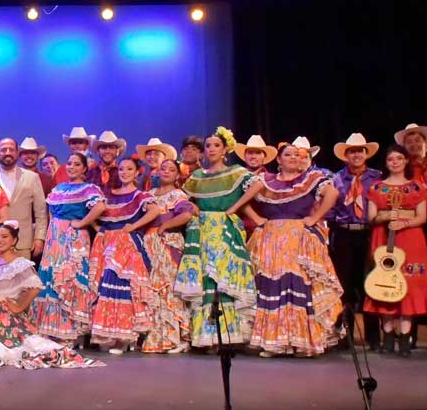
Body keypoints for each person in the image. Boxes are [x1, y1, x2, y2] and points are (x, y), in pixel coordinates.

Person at [237, 139, 345, 357]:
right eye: (289, 155)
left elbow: (332, 194)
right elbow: (241, 200)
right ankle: (274, 342)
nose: (294, 158)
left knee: (296, 283)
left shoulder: (310, 179)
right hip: (269, 238)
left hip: (298, 239)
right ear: (278, 160)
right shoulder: (265, 180)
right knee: (269, 285)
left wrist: (315, 217)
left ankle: (301, 341)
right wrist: (257, 218)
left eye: (298, 155)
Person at [0, 222, 97, 368]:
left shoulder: (20, 264)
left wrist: (19, 307)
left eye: (4, 237)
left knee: (21, 347)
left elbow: (35, 287)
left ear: (14, 240)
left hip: (5, 316)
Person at [173, 128, 259, 348]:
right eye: (208, 146)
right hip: (201, 230)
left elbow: (259, 184)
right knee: (206, 280)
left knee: (224, 278)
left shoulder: (235, 172)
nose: (211, 149)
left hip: (224, 229)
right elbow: (182, 199)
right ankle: (206, 336)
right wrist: (190, 208)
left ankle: (228, 335)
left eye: (216, 145)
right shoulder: (198, 177)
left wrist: (235, 207)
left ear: (225, 150)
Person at [363, 144, 427, 357]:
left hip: (411, 239)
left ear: (406, 161)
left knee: (409, 284)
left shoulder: (416, 187)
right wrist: (387, 217)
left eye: (398, 158)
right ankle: (387, 338)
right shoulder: (376, 187)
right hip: (383, 237)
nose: (394, 162)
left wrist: (404, 223)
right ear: (386, 163)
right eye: (390, 159)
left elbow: (422, 217)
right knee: (384, 283)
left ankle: (405, 339)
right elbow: (371, 217)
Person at [87, 158, 162, 354]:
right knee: (104, 286)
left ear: (137, 172)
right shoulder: (108, 195)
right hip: (106, 244)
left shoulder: (139, 196)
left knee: (122, 285)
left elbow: (155, 210)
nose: (124, 172)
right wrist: (100, 230)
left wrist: (134, 227)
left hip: (127, 244)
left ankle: (123, 337)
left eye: (129, 169)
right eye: (121, 169)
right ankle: (109, 334)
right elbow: (96, 215)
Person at [34, 152, 106, 344]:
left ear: (84, 168)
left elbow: (99, 207)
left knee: (71, 277)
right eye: (70, 164)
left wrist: (82, 223)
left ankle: (69, 330)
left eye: (76, 164)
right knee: (51, 277)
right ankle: (49, 329)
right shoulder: (59, 188)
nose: (72, 167)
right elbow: (50, 211)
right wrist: (52, 231)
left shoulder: (89, 188)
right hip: (55, 236)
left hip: (74, 237)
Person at [328, 133, 384, 348]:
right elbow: (330, 209)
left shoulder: (377, 178)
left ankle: (373, 338)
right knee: (345, 286)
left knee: (369, 283)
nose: (356, 154)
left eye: (360, 150)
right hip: (344, 234)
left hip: (369, 233)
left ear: (366, 154)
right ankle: (346, 336)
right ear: (345, 156)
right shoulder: (336, 178)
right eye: (352, 151)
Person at [139, 159, 197, 354]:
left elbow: (187, 214)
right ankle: (158, 337)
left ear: (177, 175)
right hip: (149, 243)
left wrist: (165, 226)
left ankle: (178, 337)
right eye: (163, 168)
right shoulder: (150, 194)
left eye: (171, 169)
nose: (166, 171)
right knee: (152, 290)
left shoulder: (177, 194)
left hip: (167, 242)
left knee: (168, 288)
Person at [0, 138, 48, 259]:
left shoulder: (32, 177)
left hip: (23, 242)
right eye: (3, 150)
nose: (7, 152)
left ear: (17, 153)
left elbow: (41, 212)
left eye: (11, 149)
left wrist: (39, 238)